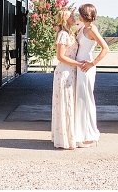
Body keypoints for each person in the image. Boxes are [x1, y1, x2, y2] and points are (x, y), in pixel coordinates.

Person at [74, 3, 109, 148]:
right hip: (79, 66)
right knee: (79, 98)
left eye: (79, 13)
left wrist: (92, 63)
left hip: (86, 68)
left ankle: (89, 135)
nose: (78, 15)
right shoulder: (83, 28)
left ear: (83, 15)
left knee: (85, 98)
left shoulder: (92, 29)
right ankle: (80, 133)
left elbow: (105, 48)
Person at [51, 9, 79, 149]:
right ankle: (64, 139)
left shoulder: (70, 33)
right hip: (65, 72)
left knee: (69, 103)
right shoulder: (63, 34)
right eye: (71, 15)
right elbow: (60, 57)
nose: (74, 17)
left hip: (71, 72)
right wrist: (79, 64)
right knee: (65, 103)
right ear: (65, 19)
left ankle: (69, 136)